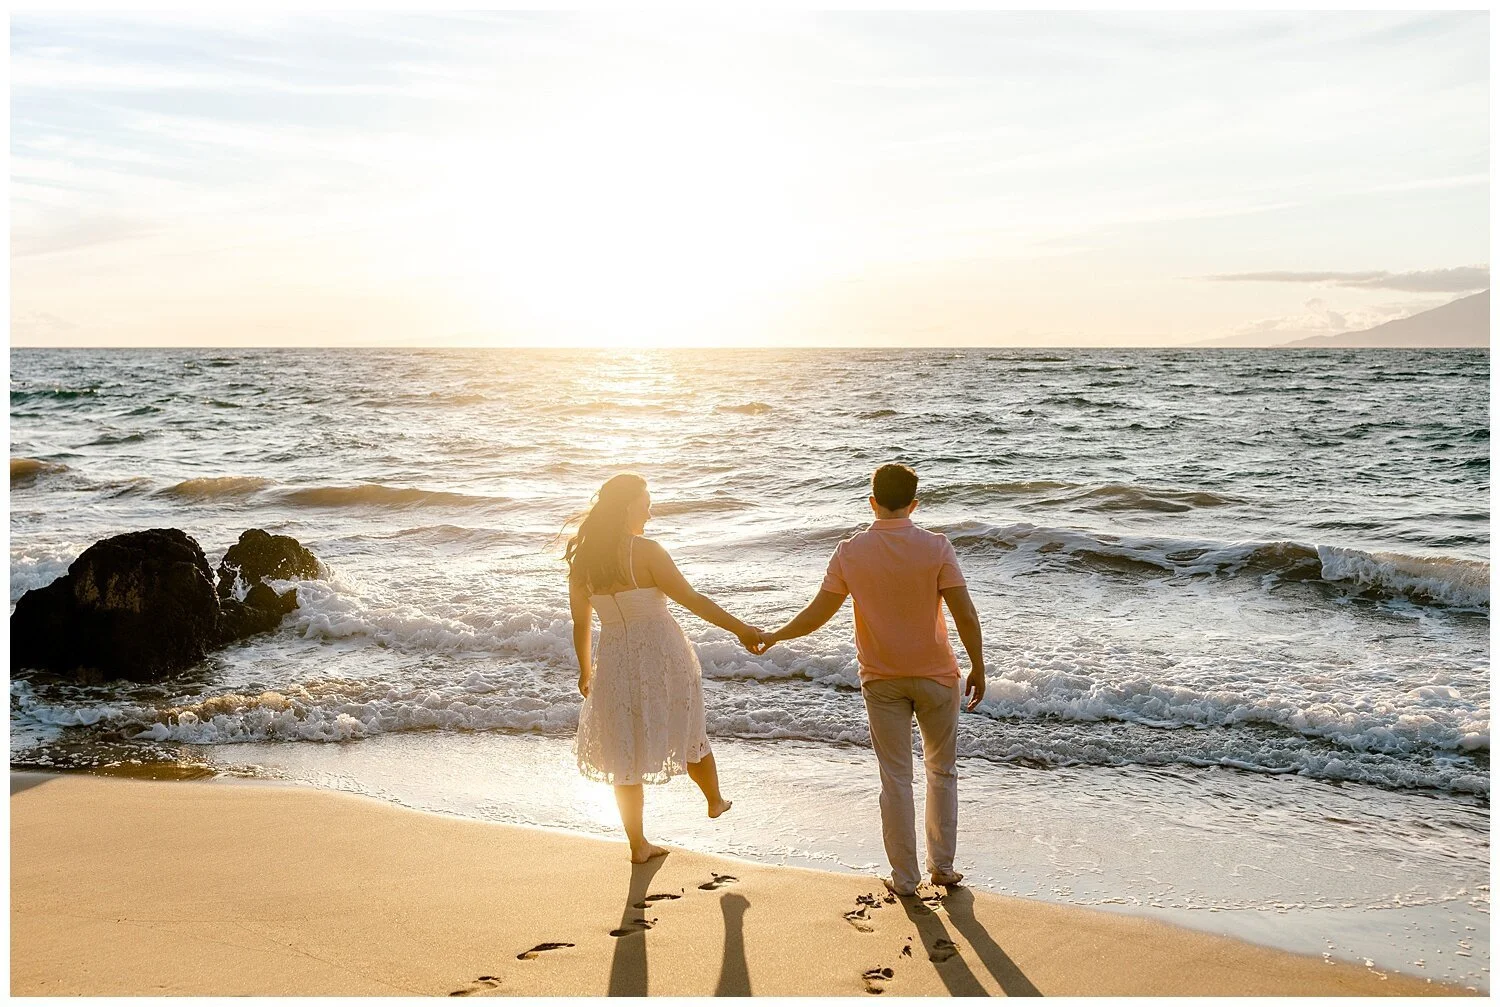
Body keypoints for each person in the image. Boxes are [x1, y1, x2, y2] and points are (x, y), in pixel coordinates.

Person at [763, 463, 985, 896]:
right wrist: (978, 665)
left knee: (895, 778)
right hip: (937, 677)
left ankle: (905, 880)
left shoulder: (850, 551)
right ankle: (943, 868)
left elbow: (816, 615)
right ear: (914, 503)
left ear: (872, 501)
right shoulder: (937, 547)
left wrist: (774, 635)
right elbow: (965, 613)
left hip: (882, 680)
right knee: (942, 771)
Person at [567, 472, 768, 863]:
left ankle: (638, 845)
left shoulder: (585, 560)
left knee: (624, 752)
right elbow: (693, 599)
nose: (650, 510)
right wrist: (741, 628)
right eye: (646, 502)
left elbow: (580, 622)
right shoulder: (646, 551)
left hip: (614, 659)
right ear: (628, 506)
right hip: (663, 656)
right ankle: (714, 800)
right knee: (689, 729)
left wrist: (585, 670)